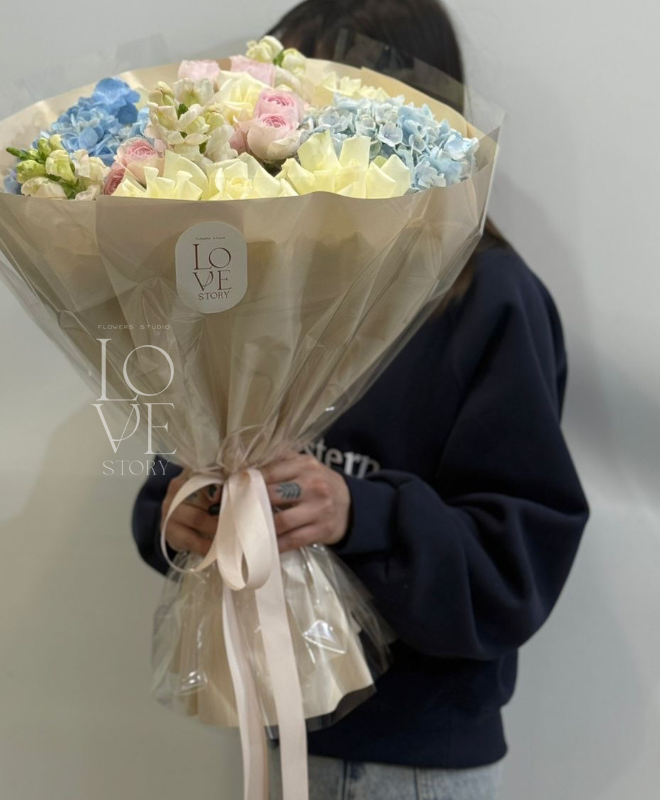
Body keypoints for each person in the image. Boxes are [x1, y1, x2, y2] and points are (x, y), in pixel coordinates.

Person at [132, 2, 590, 797]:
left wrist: (359, 514)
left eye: (322, 99)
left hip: (415, 760)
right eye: (277, 96)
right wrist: (177, 514)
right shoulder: (256, 279)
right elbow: (181, 463)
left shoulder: (488, 299)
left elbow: (516, 564)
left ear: (410, 116)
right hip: (271, 729)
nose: (289, 124)